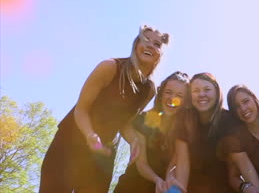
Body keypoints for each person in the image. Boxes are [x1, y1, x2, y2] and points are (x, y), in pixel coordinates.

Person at [40, 25, 169, 193]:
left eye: (157, 44)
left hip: (103, 154)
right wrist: (90, 135)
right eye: (145, 40)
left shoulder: (149, 89)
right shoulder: (109, 67)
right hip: (69, 144)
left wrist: (134, 141)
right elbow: (81, 109)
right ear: (136, 44)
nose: (150, 45)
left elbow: (125, 122)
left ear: (160, 53)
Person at [113, 71, 190, 193]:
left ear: (185, 101)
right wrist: (157, 180)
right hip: (132, 186)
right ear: (161, 94)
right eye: (168, 92)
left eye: (179, 95)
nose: (172, 99)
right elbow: (141, 163)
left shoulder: (183, 128)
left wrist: (169, 179)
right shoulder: (144, 119)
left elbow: (176, 162)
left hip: (162, 188)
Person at [170, 72, 237, 193]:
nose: (201, 94)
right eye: (196, 90)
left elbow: (240, 160)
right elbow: (182, 162)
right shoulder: (184, 119)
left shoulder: (228, 119)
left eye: (207, 89)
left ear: (217, 93)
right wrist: (179, 190)